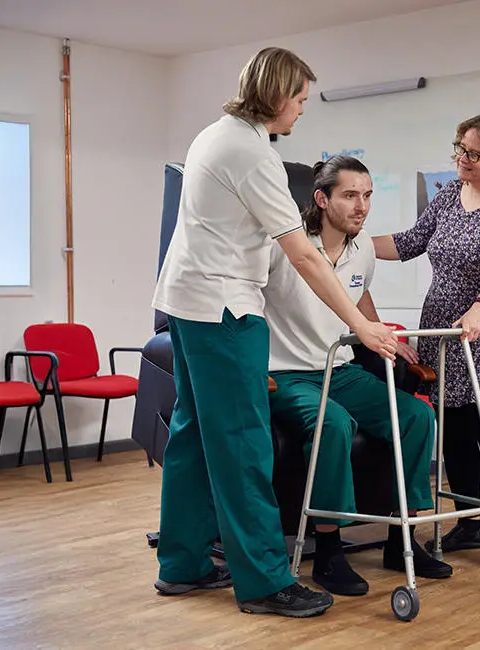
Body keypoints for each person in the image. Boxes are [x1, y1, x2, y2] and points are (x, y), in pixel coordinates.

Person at [151, 47, 398, 618]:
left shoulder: (213, 135)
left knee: (193, 434)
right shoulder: (252, 154)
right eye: (300, 99)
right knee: (243, 443)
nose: (302, 110)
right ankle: (264, 581)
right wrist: (361, 323)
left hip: (185, 301)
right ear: (277, 93)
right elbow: (304, 256)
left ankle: (183, 563)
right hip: (224, 309)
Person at [262, 155, 453, 597]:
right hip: (286, 374)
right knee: (333, 424)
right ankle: (329, 551)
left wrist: (380, 332)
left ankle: (401, 539)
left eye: (367, 195)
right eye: (350, 195)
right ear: (321, 199)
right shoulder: (286, 244)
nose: (361, 206)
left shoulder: (362, 245)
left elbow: (358, 291)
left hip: (340, 368)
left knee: (417, 417)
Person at [372, 113, 480, 578]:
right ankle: (469, 526)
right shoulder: (448, 196)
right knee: (457, 433)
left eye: (474, 153)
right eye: (460, 148)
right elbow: (409, 242)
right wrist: (349, 240)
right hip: (443, 330)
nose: (462, 158)